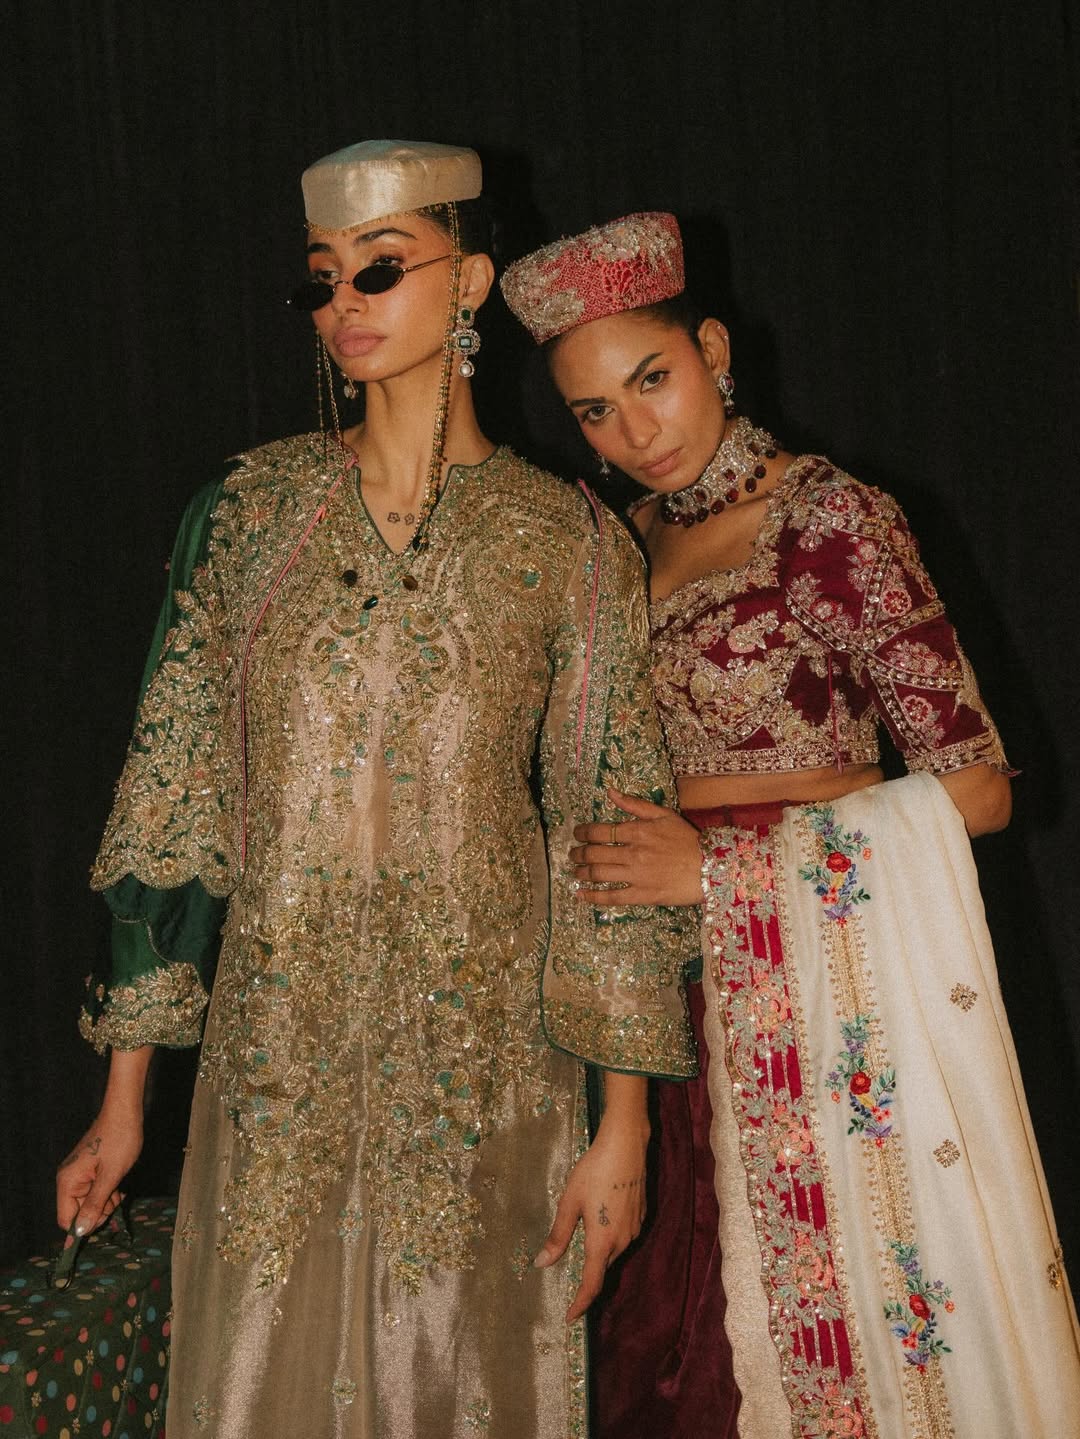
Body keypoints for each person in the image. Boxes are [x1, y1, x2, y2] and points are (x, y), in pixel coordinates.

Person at [56, 147, 699, 1439]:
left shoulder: (570, 539)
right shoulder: (246, 513)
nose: (345, 301)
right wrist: (123, 1101)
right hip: (277, 1054)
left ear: (469, 278)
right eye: (323, 279)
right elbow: (174, 798)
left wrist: (623, 1122)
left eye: (382, 267)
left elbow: (610, 827)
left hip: (488, 1065)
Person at [501, 213, 1080, 1438]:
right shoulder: (614, 551)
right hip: (674, 995)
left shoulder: (826, 518)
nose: (634, 430)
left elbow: (981, 787)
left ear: (713, 349)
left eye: (651, 379)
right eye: (595, 411)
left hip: (826, 985)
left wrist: (725, 868)